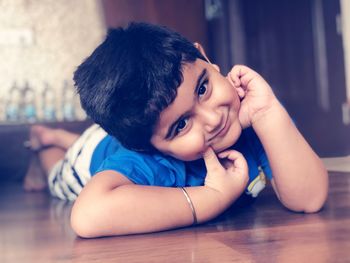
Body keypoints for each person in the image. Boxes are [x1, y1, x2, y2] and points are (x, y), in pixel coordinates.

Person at [23, 22, 328, 238]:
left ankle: (58, 137)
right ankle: (45, 145)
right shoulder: (149, 162)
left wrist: (267, 112)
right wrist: (211, 198)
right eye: (181, 125)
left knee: (96, 140)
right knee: (58, 174)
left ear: (205, 58)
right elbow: (87, 216)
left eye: (203, 88)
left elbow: (310, 199)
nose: (212, 119)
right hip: (88, 156)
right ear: (150, 148)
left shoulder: (253, 112)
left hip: (114, 138)